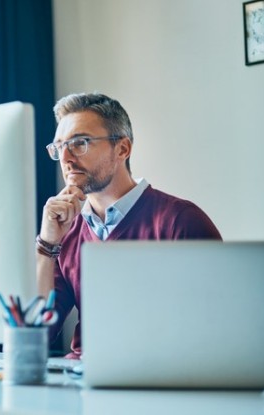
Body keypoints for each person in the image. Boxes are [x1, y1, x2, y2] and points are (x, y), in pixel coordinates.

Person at [36, 92, 221, 359]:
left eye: (80, 142)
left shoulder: (180, 221)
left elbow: (214, 331)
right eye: (59, 146)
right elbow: (36, 335)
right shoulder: (66, 231)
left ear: (122, 149)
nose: (65, 157)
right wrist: (47, 245)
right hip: (82, 378)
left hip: (159, 379)